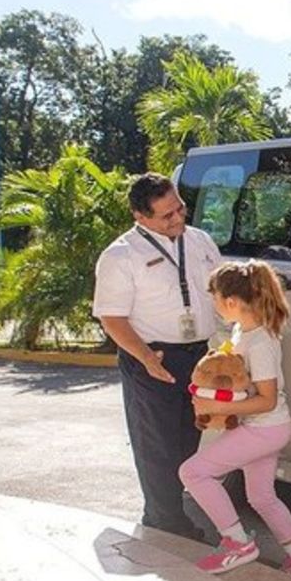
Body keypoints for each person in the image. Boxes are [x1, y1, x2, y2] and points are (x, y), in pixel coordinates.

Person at [93, 173, 223, 540]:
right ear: (140, 217)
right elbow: (112, 318)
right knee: (157, 445)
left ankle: (169, 508)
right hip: (153, 358)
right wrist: (147, 358)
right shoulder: (120, 255)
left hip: (199, 357)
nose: (178, 218)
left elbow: (220, 290)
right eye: (166, 215)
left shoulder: (200, 241)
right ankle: (165, 522)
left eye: (179, 208)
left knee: (188, 439)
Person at [178, 260, 291, 578]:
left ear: (230, 302)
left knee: (193, 473)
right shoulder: (245, 330)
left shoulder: (259, 343)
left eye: (214, 299)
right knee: (261, 497)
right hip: (266, 428)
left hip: (265, 429)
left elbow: (267, 400)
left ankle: (237, 543)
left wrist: (219, 408)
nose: (214, 305)